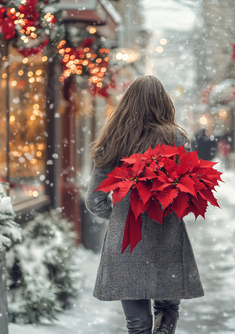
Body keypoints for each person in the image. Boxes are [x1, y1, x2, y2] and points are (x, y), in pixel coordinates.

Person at [86, 75, 204, 334]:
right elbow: (190, 191)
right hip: (167, 237)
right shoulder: (175, 138)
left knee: (137, 324)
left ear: (128, 103)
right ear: (164, 104)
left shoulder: (113, 141)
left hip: (127, 239)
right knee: (167, 308)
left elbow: (94, 201)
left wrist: (121, 214)